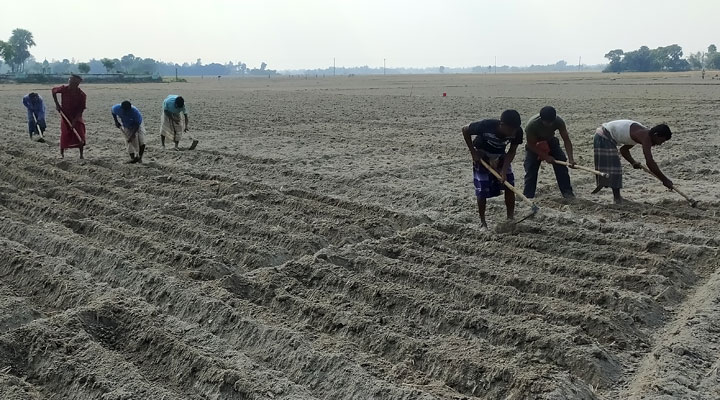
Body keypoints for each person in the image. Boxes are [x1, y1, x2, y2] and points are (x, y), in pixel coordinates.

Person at [462, 110, 523, 229]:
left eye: (515, 129)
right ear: (502, 124)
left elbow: (512, 151)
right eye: (510, 129)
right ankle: (483, 222)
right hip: (482, 155)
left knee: (509, 184)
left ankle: (510, 218)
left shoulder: (517, 132)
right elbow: (465, 130)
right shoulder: (486, 125)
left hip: (500, 155)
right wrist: (473, 153)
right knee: (482, 188)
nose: (513, 132)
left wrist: (504, 170)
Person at [592, 120, 673, 204]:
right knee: (615, 168)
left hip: (605, 135)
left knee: (614, 168)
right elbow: (650, 163)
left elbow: (624, 150)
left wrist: (633, 162)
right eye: (661, 141)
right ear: (656, 135)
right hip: (603, 136)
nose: (659, 144)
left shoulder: (642, 134)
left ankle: (617, 197)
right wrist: (664, 180)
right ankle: (617, 199)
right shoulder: (645, 138)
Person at [523, 106, 576, 199]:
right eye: (547, 122)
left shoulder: (558, 121)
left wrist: (571, 159)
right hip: (535, 144)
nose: (550, 124)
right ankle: (528, 195)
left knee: (561, 162)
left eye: (552, 122)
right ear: (541, 119)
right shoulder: (532, 125)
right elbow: (530, 144)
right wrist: (545, 156)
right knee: (531, 168)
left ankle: (567, 192)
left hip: (550, 141)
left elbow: (566, 140)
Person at [51, 74, 86, 159]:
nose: (70, 84)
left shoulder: (82, 95)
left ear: (77, 84)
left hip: (76, 116)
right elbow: (53, 91)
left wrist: (75, 120)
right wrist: (57, 105)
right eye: (69, 81)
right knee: (65, 133)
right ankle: (62, 154)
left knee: (80, 133)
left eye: (72, 82)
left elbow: (81, 109)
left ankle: (81, 155)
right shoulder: (64, 89)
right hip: (65, 115)